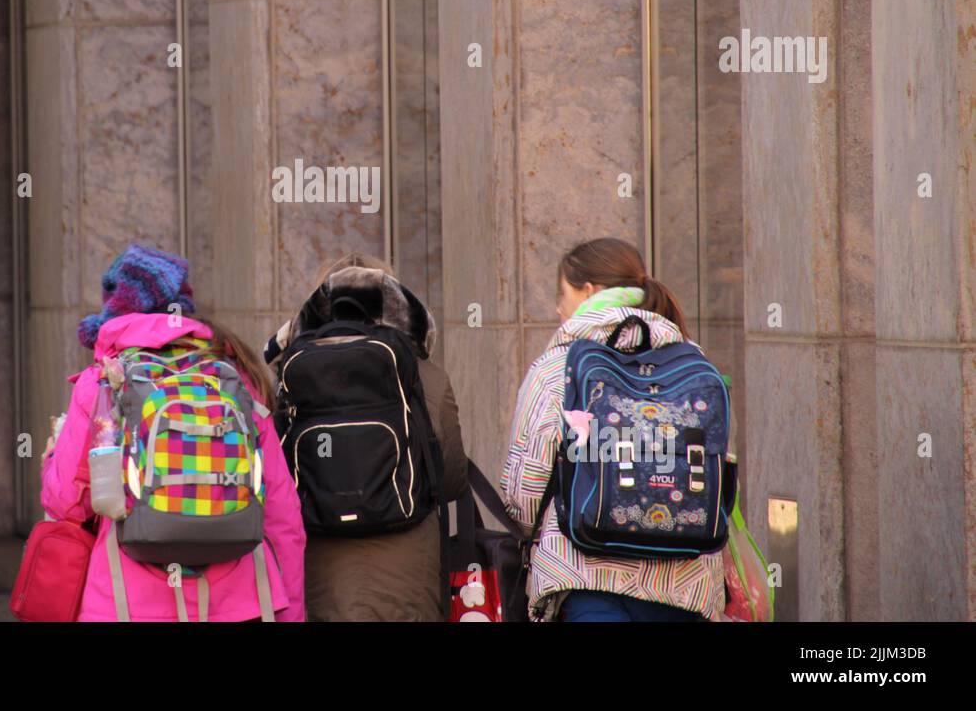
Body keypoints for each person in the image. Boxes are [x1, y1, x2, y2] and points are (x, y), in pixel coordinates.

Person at [40, 243, 306, 621]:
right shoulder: (234, 378)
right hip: (238, 603)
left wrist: (52, 457)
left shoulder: (103, 381)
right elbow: (282, 514)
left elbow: (67, 501)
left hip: (126, 603)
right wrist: (290, 611)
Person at [501, 237, 726, 621]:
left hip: (585, 580)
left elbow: (524, 492)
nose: (558, 308)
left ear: (589, 291)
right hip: (687, 585)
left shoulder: (558, 366)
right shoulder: (694, 363)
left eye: (562, 294)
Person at [265, 252, 468, 621]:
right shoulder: (426, 376)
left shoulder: (294, 377)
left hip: (320, 570)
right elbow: (451, 479)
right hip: (407, 574)